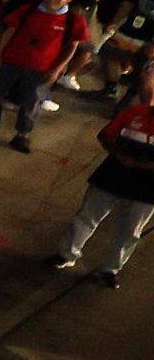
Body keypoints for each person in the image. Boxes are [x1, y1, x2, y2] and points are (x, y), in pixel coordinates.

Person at [55, 69, 154, 284]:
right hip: (113, 174)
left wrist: (140, 164)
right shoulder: (134, 113)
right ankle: (66, 254)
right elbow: (106, 135)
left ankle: (111, 269)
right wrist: (119, 155)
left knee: (130, 231)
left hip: (147, 188)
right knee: (87, 216)